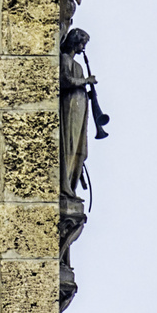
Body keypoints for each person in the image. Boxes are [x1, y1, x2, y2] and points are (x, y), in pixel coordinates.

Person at [60, 28, 95, 198]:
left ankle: (72, 186)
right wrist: (86, 81)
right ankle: (66, 185)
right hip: (71, 106)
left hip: (79, 106)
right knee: (70, 144)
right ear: (76, 42)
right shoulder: (65, 59)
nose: (83, 48)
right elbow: (65, 80)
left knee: (81, 149)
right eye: (82, 43)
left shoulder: (77, 65)